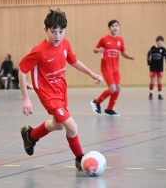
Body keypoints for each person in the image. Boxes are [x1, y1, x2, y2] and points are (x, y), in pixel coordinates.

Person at [18, 9, 103, 171]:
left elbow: (74, 61)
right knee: (72, 127)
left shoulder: (65, 44)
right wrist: (25, 98)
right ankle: (80, 158)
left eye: (61, 32)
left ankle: (31, 135)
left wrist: (92, 74)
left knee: (58, 125)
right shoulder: (39, 51)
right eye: (53, 32)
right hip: (48, 94)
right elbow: (22, 71)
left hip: (61, 90)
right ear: (46, 30)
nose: (57, 36)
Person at [90, 20, 135, 117]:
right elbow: (94, 49)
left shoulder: (120, 40)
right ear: (109, 28)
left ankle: (109, 109)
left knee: (118, 88)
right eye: (113, 26)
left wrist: (130, 57)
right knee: (113, 88)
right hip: (106, 67)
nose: (115, 28)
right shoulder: (104, 39)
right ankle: (96, 102)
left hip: (115, 68)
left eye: (117, 26)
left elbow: (123, 52)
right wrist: (98, 50)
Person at [147, 36, 166, 100]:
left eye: (161, 41)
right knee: (152, 80)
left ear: (162, 42)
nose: (159, 42)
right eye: (158, 41)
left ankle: (160, 94)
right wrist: (148, 61)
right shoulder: (153, 48)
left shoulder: (164, 49)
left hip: (160, 67)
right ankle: (151, 94)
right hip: (153, 67)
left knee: (159, 80)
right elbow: (148, 54)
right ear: (156, 41)